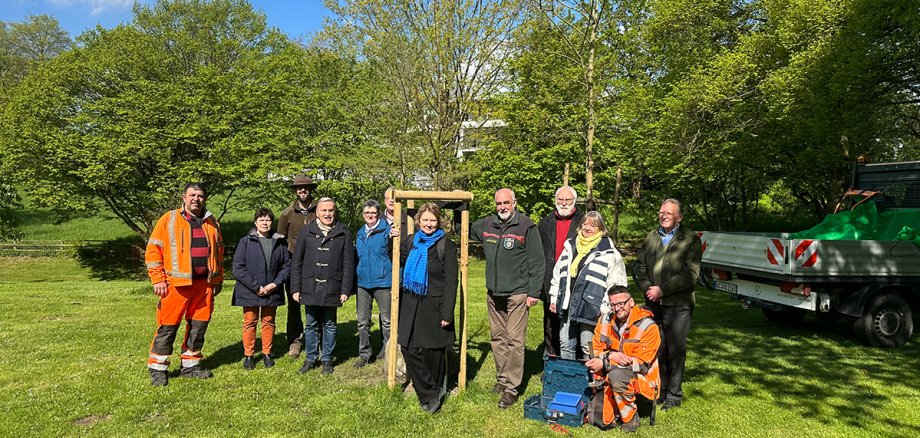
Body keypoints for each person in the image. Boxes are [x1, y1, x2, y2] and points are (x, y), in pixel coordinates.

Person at [469, 188, 544, 408]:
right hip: (494, 293)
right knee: (498, 338)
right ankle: (502, 380)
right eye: (499, 203)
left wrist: (533, 292)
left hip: (518, 292)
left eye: (506, 203)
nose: (502, 207)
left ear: (514, 203)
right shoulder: (487, 224)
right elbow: (463, 230)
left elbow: (537, 262)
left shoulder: (527, 226)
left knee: (514, 340)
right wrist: (457, 208)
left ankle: (512, 388)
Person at [145, 182, 225, 386]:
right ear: (184, 197)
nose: (196, 199)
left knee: (198, 328)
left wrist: (217, 280)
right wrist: (158, 279)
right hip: (175, 286)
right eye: (192, 195)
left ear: (204, 199)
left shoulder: (212, 222)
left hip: (203, 286)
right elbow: (154, 250)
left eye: (200, 195)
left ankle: (190, 365)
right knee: (167, 328)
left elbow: (219, 253)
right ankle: (158, 368)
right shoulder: (169, 219)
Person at [634, 198, 702, 411]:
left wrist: (663, 289)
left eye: (669, 213)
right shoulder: (652, 237)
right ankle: (660, 389)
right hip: (653, 302)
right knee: (657, 346)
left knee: (675, 348)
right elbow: (639, 266)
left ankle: (674, 393)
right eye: (662, 212)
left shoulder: (690, 239)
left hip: (677, 304)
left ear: (679, 217)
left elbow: (691, 274)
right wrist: (648, 287)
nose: (664, 216)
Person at [398, 203, 458, 414]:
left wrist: (447, 313)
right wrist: (392, 240)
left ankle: (432, 393)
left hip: (435, 305)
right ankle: (430, 393)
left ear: (438, 221)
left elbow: (451, 281)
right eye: (425, 220)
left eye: (433, 220)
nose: (429, 224)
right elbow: (397, 260)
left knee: (434, 351)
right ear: (418, 221)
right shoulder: (410, 242)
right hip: (411, 302)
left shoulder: (446, 245)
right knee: (407, 347)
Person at [548, 211, 626, 360]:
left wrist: (605, 308)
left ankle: (592, 380)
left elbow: (617, 283)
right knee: (566, 344)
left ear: (601, 229)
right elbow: (558, 273)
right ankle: (569, 378)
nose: (587, 228)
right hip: (568, 304)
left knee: (588, 346)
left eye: (593, 225)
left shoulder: (609, 252)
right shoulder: (570, 246)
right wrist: (554, 298)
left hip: (592, 307)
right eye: (584, 224)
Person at [291, 197, 355, 375]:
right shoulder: (307, 231)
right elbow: (297, 261)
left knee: (330, 324)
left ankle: (326, 359)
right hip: (310, 284)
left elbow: (349, 263)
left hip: (333, 285)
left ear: (335, 212)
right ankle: (310, 358)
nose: (327, 214)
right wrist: (296, 288)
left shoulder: (344, 232)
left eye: (330, 210)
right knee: (311, 324)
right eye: (324, 210)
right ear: (317, 212)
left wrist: (345, 289)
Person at [585, 286, 660, 433]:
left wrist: (606, 362)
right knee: (590, 368)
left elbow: (641, 365)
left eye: (621, 303)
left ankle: (631, 418)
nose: (617, 308)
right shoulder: (604, 321)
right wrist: (610, 356)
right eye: (613, 305)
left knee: (617, 375)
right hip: (611, 371)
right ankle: (601, 411)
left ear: (631, 302)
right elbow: (595, 351)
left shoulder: (649, 327)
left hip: (644, 379)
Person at [231, 208, 291, 370]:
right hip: (250, 290)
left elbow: (286, 266)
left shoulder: (279, 241)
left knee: (268, 322)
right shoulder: (246, 241)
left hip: (272, 290)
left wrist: (274, 284)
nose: (265, 223)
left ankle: (267, 353)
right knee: (250, 322)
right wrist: (256, 287)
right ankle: (249, 355)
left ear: (272, 222)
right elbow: (238, 268)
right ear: (255, 222)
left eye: (268, 220)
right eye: (261, 220)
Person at [538, 185, 585, 357]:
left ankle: (574, 362)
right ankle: (551, 362)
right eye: (561, 200)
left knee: (574, 324)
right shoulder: (545, 222)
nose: (564, 203)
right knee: (550, 324)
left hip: (574, 280)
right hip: (550, 280)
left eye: (568, 200)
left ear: (574, 201)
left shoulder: (584, 222)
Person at [277, 175, 318, 358]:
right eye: (299, 188)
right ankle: (295, 340)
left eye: (305, 187)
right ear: (295, 191)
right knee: (294, 305)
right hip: (294, 266)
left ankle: (317, 338)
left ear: (310, 189)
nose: (302, 191)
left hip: (317, 264)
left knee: (316, 303)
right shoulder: (287, 214)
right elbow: (280, 241)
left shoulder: (321, 210)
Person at [354, 199, 397, 368]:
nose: (370, 215)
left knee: (386, 320)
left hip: (383, 281)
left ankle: (388, 351)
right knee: (362, 321)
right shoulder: (360, 233)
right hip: (363, 282)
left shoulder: (388, 231)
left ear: (378, 213)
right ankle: (364, 354)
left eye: (373, 212)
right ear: (363, 215)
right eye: (367, 213)